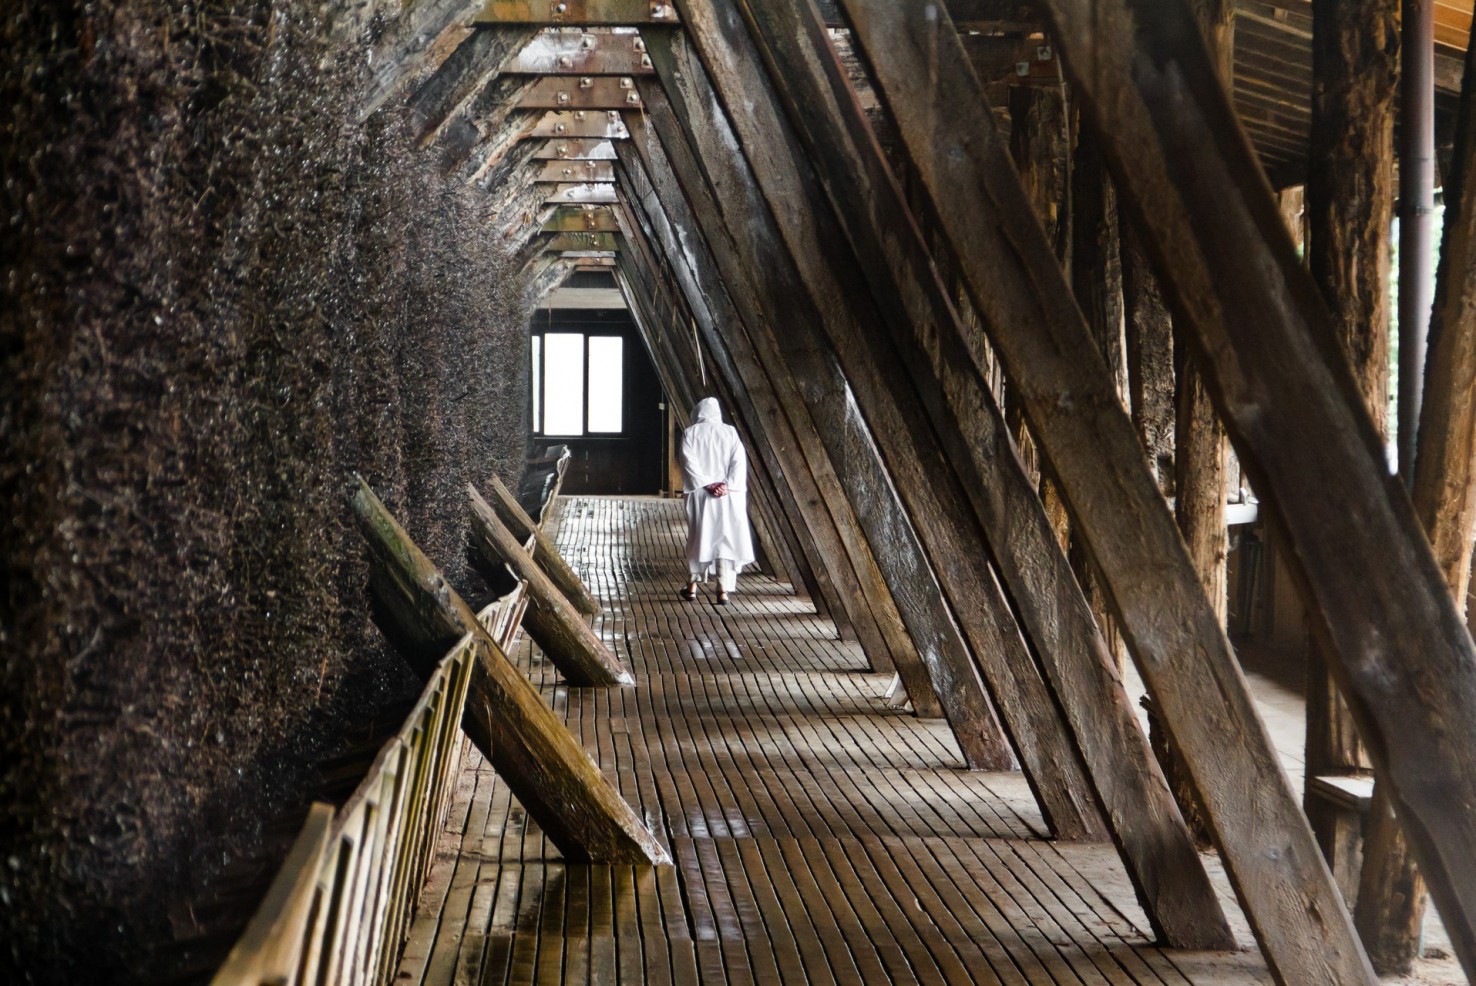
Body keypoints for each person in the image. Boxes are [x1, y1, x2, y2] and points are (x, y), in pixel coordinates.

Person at [679, 397, 754, 605]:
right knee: (726, 540)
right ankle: (723, 590)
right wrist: (726, 485)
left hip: (702, 494)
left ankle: (692, 587)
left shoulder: (691, 433)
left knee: (700, 538)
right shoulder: (730, 432)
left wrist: (706, 484)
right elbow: (738, 461)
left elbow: (688, 461)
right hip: (727, 495)